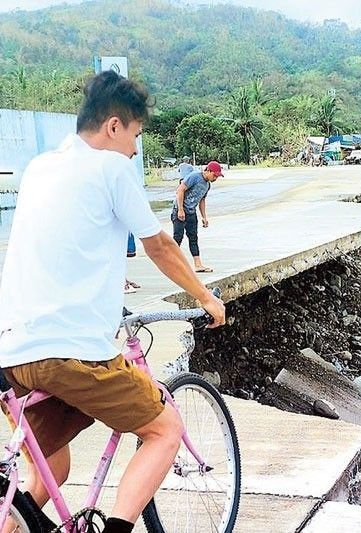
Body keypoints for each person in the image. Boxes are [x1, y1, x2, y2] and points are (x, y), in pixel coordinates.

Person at [0, 70, 225, 533]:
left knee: (52, 470)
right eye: (136, 136)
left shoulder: (40, 167)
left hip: (12, 352)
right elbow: (159, 245)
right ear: (114, 126)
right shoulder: (111, 168)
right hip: (70, 353)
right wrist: (205, 297)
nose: (136, 150)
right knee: (165, 430)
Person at [172, 161, 222, 273]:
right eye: (214, 175)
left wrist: (204, 217)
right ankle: (171, 264)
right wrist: (180, 209)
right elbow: (180, 190)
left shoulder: (207, 185)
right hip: (180, 210)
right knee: (177, 238)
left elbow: (202, 200)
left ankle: (198, 265)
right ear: (208, 171)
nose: (215, 178)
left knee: (193, 238)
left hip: (191, 212)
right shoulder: (194, 176)